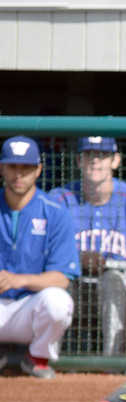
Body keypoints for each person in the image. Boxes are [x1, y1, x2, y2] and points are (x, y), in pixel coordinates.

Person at [48, 136, 126, 355]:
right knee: (54, 288)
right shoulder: (60, 199)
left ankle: (112, 363)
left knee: (113, 281)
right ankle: (46, 360)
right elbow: (42, 250)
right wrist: (77, 256)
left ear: (115, 161)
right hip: (74, 284)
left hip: (122, 288)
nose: (95, 161)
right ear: (79, 161)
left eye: (102, 155)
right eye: (89, 155)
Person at [0, 135, 79, 378]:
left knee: (58, 301)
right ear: (2, 167)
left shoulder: (55, 212)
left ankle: (36, 357)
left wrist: (19, 280)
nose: (18, 174)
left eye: (26, 168)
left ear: (38, 170)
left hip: (29, 308)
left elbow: (62, 278)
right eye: (13, 166)